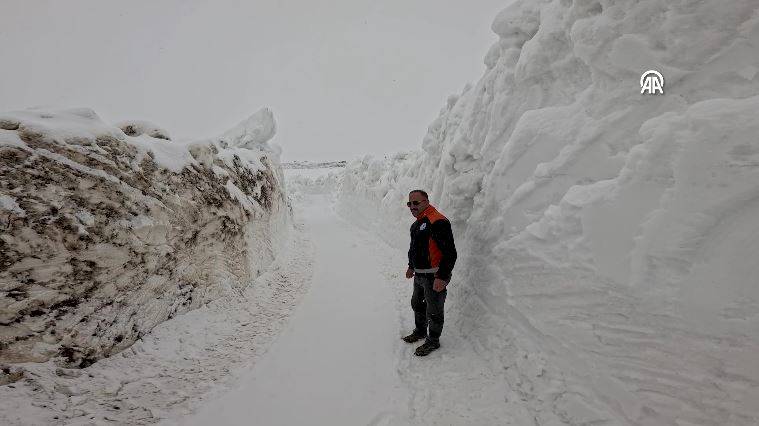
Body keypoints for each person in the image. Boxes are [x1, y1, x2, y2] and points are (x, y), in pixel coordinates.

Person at [402, 189, 457, 356]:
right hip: (419, 274)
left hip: (434, 276)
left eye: (416, 203)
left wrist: (442, 277)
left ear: (426, 201)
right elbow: (415, 249)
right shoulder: (417, 223)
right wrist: (411, 266)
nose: (412, 206)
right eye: (409, 203)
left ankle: (433, 341)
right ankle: (420, 331)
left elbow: (450, 253)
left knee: (433, 310)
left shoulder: (438, 221)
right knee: (417, 304)